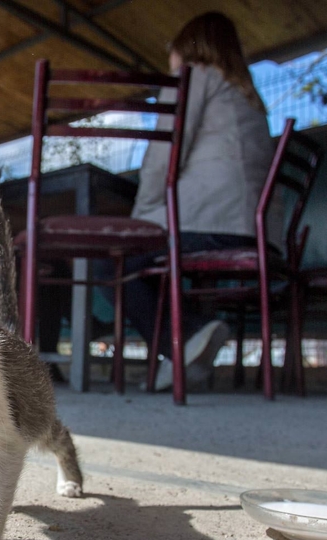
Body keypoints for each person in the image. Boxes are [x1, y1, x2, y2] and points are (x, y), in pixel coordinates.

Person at [103, 11, 280, 391]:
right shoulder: (248, 97)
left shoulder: (194, 76)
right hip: (253, 229)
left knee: (111, 261)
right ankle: (187, 349)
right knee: (144, 261)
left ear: (187, 46)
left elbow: (164, 157)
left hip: (209, 222)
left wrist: (139, 221)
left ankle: (182, 342)